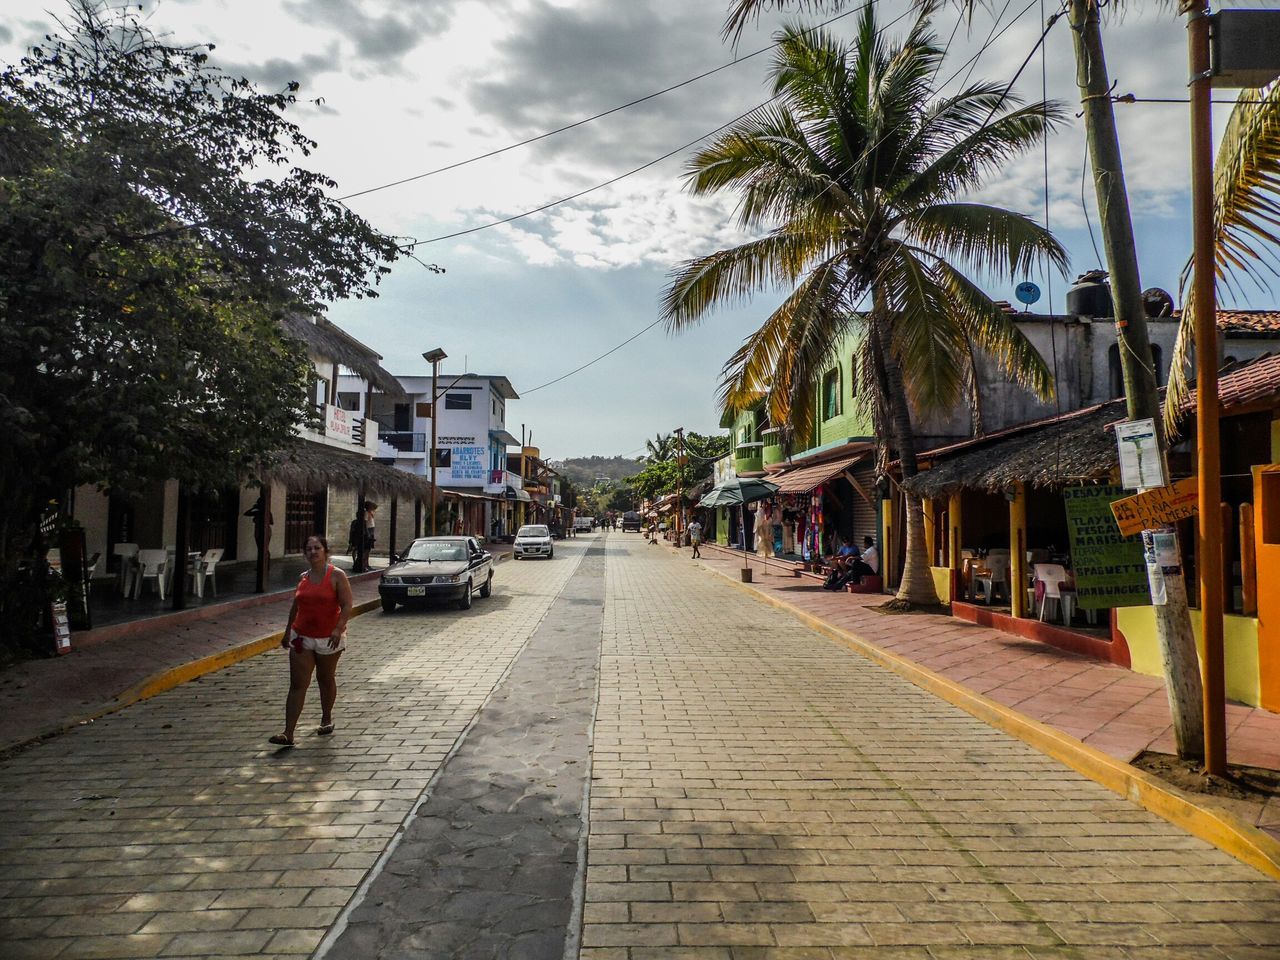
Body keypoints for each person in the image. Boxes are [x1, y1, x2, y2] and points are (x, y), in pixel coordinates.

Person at [270, 535, 353, 746]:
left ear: (325, 551)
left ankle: (326, 717)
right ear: (305, 553)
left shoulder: (337, 576)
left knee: (325, 679)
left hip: (329, 638)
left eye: (317, 548)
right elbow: (296, 607)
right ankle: (288, 732)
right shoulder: (303, 577)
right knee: (298, 684)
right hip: (302, 637)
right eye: (309, 549)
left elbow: (346, 605)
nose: (313, 552)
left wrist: (338, 628)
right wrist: (288, 631)